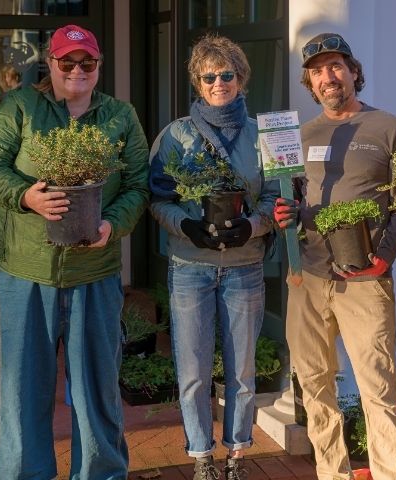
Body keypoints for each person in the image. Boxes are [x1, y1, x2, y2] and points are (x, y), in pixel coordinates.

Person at [0, 24, 150, 479]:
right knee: (23, 387)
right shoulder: (21, 108)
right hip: (26, 271)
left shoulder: (119, 116)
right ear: (49, 64)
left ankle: (101, 473)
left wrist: (113, 223)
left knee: (96, 388)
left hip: (96, 270)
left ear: (98, 66)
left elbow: (136, 184)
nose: (76, 70)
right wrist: (25, 196)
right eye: (66, 62)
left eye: (86, 62)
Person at [273, 33, 396, 479]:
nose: (327, 77)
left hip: (365, 278)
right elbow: (293, 199)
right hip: (308, 278)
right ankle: (331, 473)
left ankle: (388, 473)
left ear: (354, 71)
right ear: (309, 83)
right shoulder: (298, 135)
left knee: (377, 385)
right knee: (314, 385)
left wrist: (385, 256)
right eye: (317, 71)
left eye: (335, 66)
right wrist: (285, 214)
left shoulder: (392, 128)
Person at [147, 34, 277, 480]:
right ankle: (201, 457)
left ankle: (236, 455)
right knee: (194, 370)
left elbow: (277, 199)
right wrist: (186, 225)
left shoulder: (264, 134)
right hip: (190, 266)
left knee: (242, 371)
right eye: (209, 76)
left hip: (245, 266)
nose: (219, 82)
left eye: (227, 74)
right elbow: (158, 198)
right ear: (197, 83)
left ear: (241, 79)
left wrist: (253, 225)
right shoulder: (175, 135)